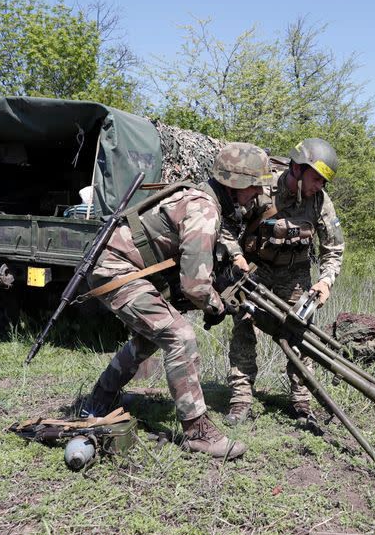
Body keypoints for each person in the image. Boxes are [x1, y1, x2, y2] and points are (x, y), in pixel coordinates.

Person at [82, 142, 272, 459]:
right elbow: (196, 287)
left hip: (119, 266)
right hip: (114, 269)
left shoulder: (204, 198)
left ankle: (100, 398)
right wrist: (218, 306)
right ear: (236, 183)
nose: (257, 194)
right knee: (179, 336)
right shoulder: (205, 210)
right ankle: (198, 432)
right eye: (254, 186)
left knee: (149, 338)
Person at [220, 138, 345, 427]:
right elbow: (224, 225)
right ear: (298, 169)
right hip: (256, 270)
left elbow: (334, 249)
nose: (320, 186)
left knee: (300, 335)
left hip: (297, 275)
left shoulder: (320, 202)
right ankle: (240, 399)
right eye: (317, 178)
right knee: (244, 327)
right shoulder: (261, 188)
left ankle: (302, 401)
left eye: (325, 182)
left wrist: (325, 282)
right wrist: (236, 255)